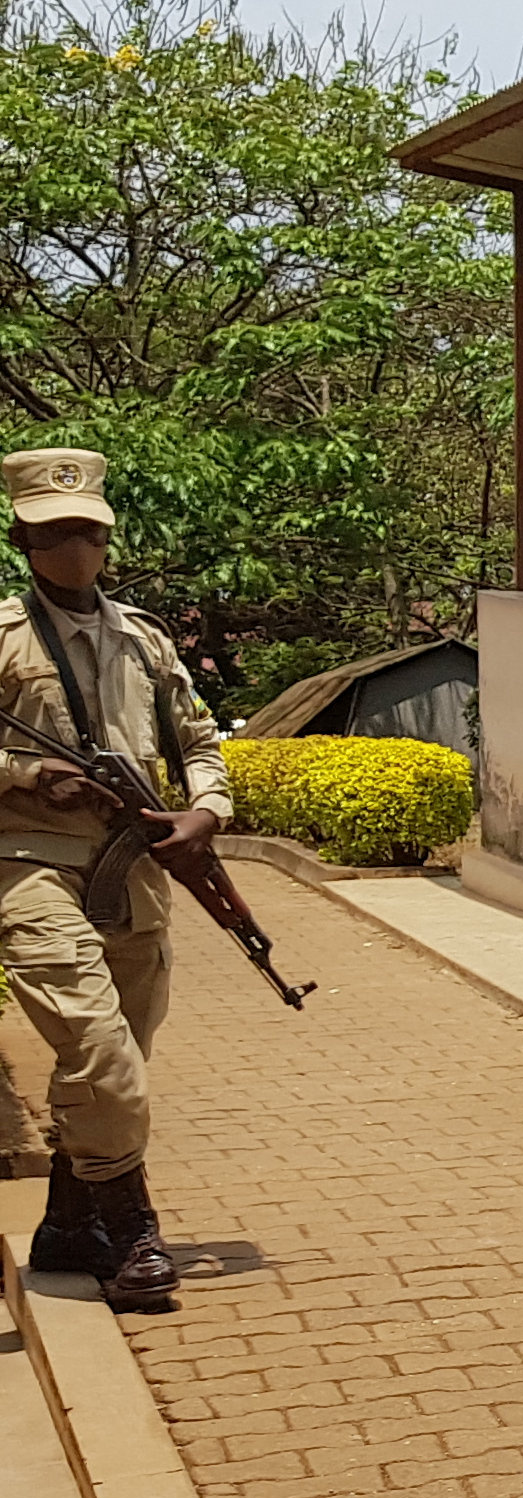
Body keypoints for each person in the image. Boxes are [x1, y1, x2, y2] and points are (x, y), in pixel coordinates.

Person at [2, 448, 234, 1312]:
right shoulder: (3, 638)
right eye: (55, 532)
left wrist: (202, 814)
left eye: (87, 532)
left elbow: (201, 744)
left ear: (107, 540)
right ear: (23, 540)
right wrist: (27, 777)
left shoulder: (143, 641)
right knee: (101, 1056)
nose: (75, 548)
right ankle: (135, 1231)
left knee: (120, 1055)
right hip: (29, 865)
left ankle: (68, 1223)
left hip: (131, 872)